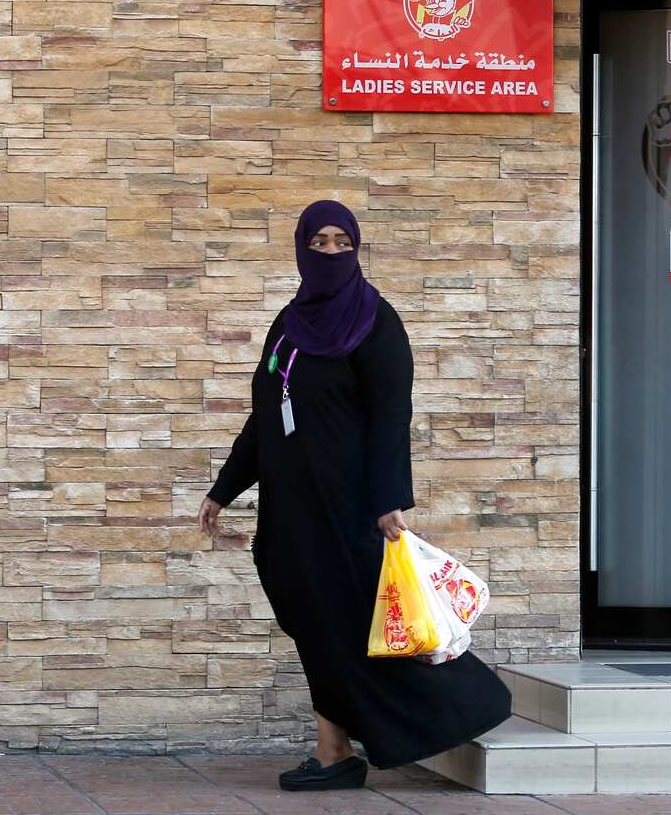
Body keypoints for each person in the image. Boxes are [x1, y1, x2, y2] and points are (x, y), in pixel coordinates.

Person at [197, 199, 513, 791]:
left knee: (359, 624)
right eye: (320, 243)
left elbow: (392, 416)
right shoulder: (288, 326)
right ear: (300, 249)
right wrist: (225, 488)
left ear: (358, 248)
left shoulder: (375, 320)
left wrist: (388, 500)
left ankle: (461, 706)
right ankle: (335, 750)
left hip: (348, 509)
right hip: (291, 513)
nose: (332, 253)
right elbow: (266, 415)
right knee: (315, 625)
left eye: (344, 242)